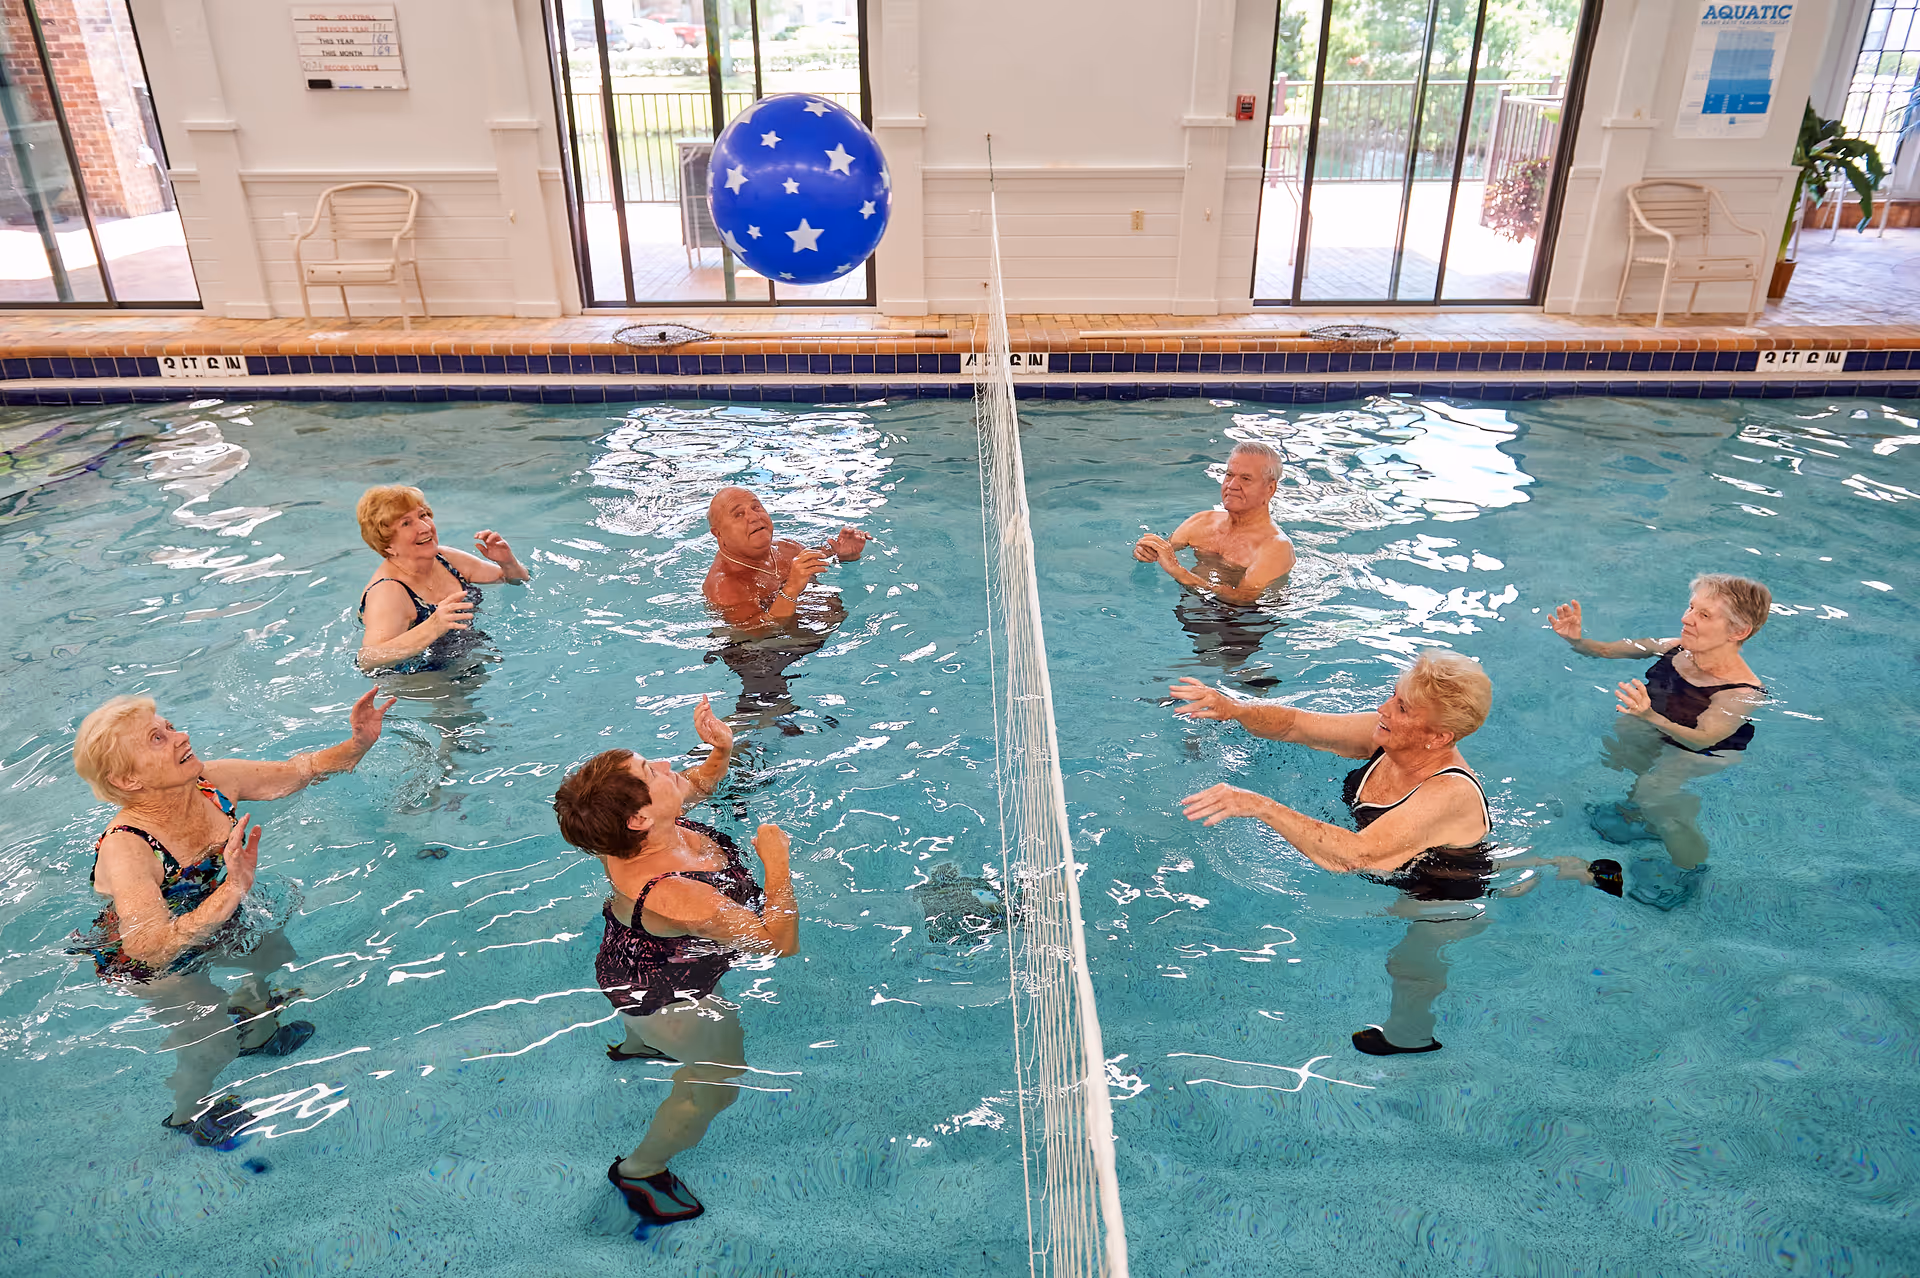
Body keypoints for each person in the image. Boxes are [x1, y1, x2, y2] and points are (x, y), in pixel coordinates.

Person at [1171, 651, 1602, 1055]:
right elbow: (1295, 725)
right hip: (1411, 852)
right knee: (1491, 866)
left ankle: (1411, 1037)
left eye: (1402, 708)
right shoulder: (1387, 737)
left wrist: (1259, 805)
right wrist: (1235, 708)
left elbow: (1355, 856)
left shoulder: (1447, 792)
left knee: (1409, 962)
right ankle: (1571, 867)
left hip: (1441, 886)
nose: (1383, 708)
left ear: (1439, 737)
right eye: (1394, 698)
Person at [70, 688, 395, 1147]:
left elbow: (301, 771)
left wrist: (360, 741)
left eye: (169, 727)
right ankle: (188, 1114)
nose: (181, 736)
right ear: (127, 780)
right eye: (157, 740)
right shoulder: (129, 845)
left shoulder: (212, 783)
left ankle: (258, 1032)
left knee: (272, 953)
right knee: (212, 1042)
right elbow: (147, 945)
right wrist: (234, 890)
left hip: (213, 911)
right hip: (150, 961)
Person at [552, 695, 799, 1226]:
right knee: (716, 1083)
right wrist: (777, 864)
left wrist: (723, 750)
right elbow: (776, 943)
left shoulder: (627, 832)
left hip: (627, 960)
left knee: (644, 1017)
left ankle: (637, 1045)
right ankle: (641, 1170)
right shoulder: (678, 894)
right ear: (640, 817)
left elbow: (697, 785)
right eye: (650, 769)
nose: (668, 766)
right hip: (667, 992)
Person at [1549, 574, 1770, 909]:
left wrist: (1651, 716)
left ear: (1738, 632)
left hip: (1706, 749)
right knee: (1630, 738)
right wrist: (1577, 640)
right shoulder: (1674, 647)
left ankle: (1689, 869)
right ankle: (1639, 819)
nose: (1686, 618)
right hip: (1661, 723)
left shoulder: (1741, 692)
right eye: (1691, 607)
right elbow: (1608, 650)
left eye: (1704, 615)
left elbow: (1703, 740)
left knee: (1656, 793)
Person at [701, 486, 868, 728]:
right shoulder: (723, 585)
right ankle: (724, 747)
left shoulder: (787, 548)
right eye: (738, 514)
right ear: (718, 534)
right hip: (760, 652)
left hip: (811, 640)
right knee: (763, 711)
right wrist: (791, 589)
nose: (753, 516)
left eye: (756, 507)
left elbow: (818, 559)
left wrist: (842, 554)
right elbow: (760, 632)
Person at [1133, 442, 1296, 687]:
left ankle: (1241, 678)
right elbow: (1163, 550)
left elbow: (1242, 599)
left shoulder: (1276, 547)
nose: (1232, 485)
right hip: (1196, 614)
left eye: (1246, 478)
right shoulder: (1201, 522)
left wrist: (1180, 572)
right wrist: (1145, 552)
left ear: (1269, 489)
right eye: (1229, 475)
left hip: (1242, 625)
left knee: (1181, 683)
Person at [355, 484, 529, 674]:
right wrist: (432, 626)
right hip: (415, 676)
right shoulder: (388, 592)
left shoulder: (444, 558)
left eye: (423, 515)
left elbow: (515, 580)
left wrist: (507, 562)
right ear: (387, 544)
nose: (424, 527)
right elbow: (368, 659)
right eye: (406, 523)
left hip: (462, 655)